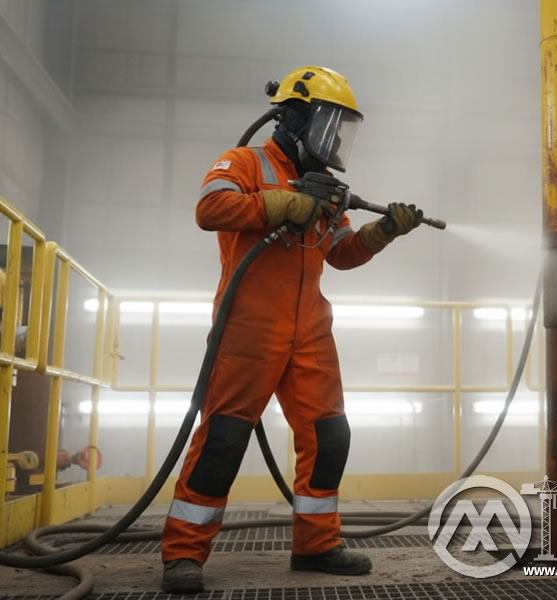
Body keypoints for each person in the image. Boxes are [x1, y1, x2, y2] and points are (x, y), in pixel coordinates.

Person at [160, 66, 423, 593]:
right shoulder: (244, 162)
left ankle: (317, 544)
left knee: (330, 438)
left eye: (342, 128)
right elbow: (209, 208)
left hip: (310, 333)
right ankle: (183, 552)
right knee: (223, 440)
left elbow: (341, 254)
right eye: (329, 124)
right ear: (295, 118)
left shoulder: (326, 188)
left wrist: (384, 231)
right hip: (248, 329)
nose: (335, 138)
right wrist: (280, 203)